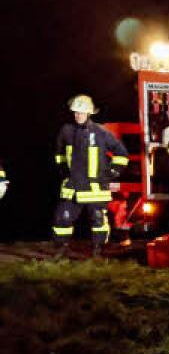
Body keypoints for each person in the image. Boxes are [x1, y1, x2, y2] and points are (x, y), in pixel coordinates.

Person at [52, 95, 129, 258]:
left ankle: (98, 250)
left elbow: (121, 153)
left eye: (81, 112)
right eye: (75, 112)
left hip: (95, 187)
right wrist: (63, 171)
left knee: (98, 221)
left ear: (89, 113)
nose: (78, 115)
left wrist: (112, 172)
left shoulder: (100, 132)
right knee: (62, 219)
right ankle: (61, 249)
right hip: (72, 186)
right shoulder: (66, 130)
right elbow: (59, 154)